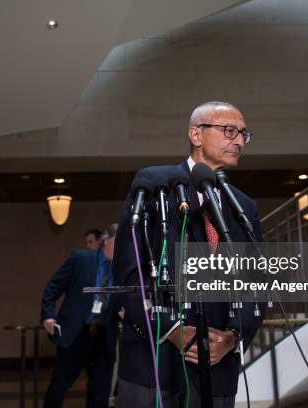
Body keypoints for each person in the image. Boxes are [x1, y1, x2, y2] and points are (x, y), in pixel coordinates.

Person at [113, 101, 263, 407]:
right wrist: (172, 329)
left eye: (243, 135)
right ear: (196, 134)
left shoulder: (243, 205)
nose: (238, 141)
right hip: (154, 366)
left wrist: (232, 337)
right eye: (229, 131)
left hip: (218, 369)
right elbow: (131, 271)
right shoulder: (155, 185)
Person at [41, 224, 118, 407]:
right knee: (58, 388)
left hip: (104, 335)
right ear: (106, 241)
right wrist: (48, 316)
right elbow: (53, 287)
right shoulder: (80, 258)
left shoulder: (123, 267)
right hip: (75, 334)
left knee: (100, 393)